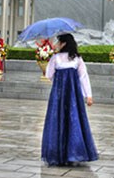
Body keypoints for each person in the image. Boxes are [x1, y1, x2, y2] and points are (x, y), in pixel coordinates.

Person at [41, 33, 98, 166]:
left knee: (58, 120)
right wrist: (88, 95)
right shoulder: (77, 59)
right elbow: (84, 77)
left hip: (58, 95)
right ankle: (74, 153)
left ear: (64, 44)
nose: (56, 45)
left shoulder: (55, 58)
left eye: (58, 42)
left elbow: (49, 75)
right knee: (74, 120)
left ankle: (58, 154)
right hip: (74, 95)